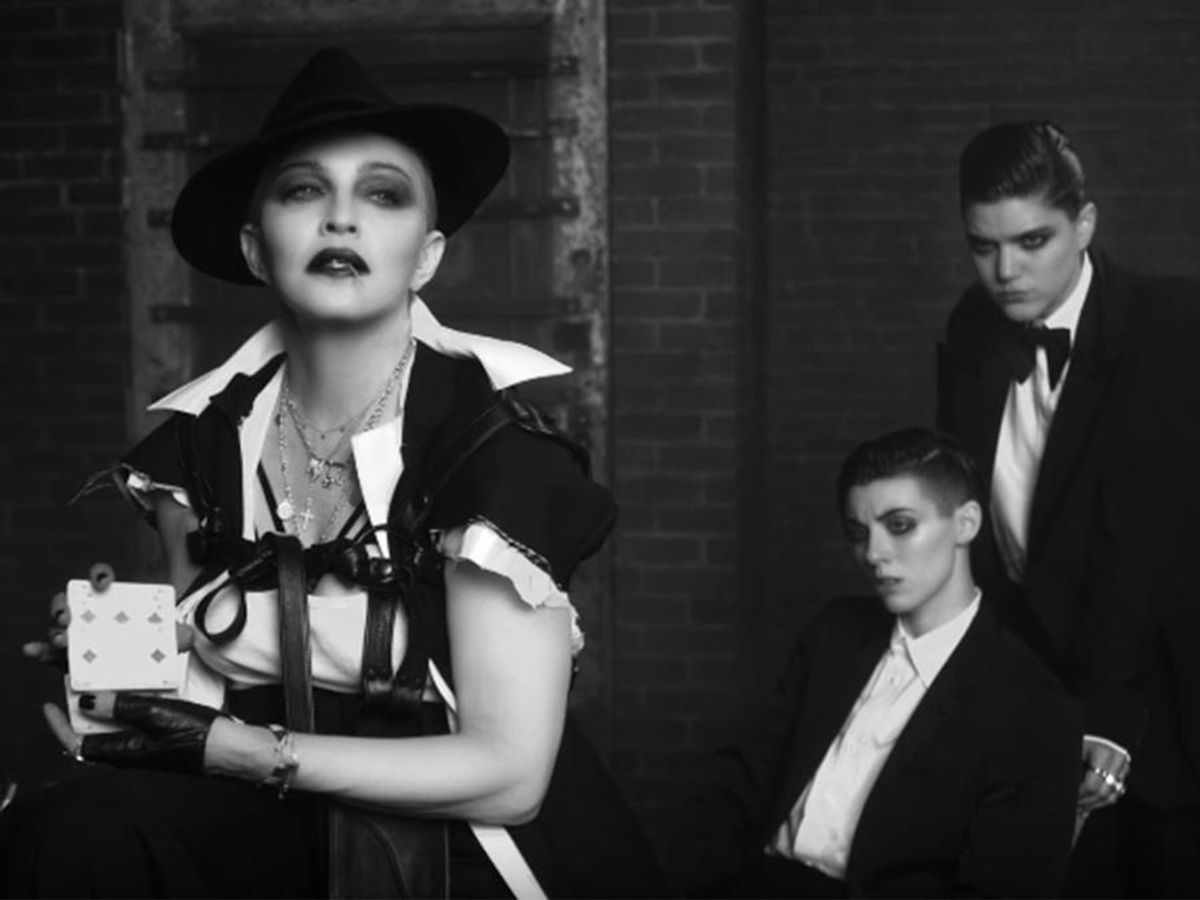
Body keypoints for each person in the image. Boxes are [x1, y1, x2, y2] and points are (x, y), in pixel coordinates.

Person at [2, 46, 663, 899]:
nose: (341, 219)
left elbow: (510, 777)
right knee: (70, 825)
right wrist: (120, 653)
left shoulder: (494, 453)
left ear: (426, 257)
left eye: (382, 195)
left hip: (459, 839)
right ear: (255, 246)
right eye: (303, 191)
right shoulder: (200, 446)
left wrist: (251, 754)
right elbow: (208, 654)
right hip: (255, 810)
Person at [936, 120, 1200, 896]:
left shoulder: (1171, 327)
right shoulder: (972, 327)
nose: (1006, 271)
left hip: (1162, 705)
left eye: (1032, 241)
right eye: (983, 246)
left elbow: (1145, 543)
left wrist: (1107, 717)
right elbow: (971, 519)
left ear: (1084, 225)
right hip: (1035, 700)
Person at [655, 428, 1080, 898]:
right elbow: (742, 783)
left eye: (900, 525)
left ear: (966, 523)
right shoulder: (835, 634)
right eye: (859, 533)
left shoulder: (1032, 705)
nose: (873, 554)